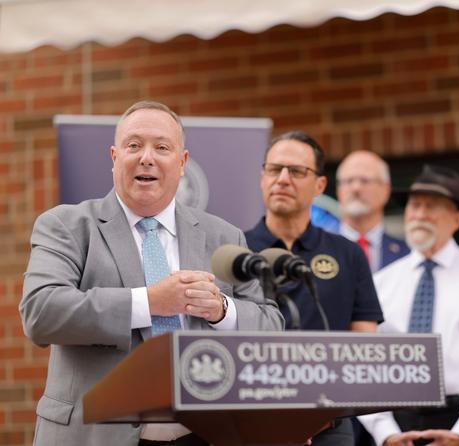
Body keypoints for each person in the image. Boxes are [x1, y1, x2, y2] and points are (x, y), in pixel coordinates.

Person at [19, 100, 284, 446]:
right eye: (134, 145)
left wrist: (221, 310)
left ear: (182, 162)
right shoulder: (67, 226)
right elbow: (41, 312)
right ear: (114, 157)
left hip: (203, 435)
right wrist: (149, 302)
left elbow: (270, 326)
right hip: (96, 435)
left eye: (161, 147)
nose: (147, 157)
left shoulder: (224, 236)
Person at [359, 165, 459, 446]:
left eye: (431, 206)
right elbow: (365, 362)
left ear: (457, 218)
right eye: (414, 205)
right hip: (398, 425)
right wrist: (385, 432)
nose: (419, 215)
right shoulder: (382, 282)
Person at [244, 130, 384, 446]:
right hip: (250, 422)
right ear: (261, 177)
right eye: (273, 169)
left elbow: (366, 349)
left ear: (320, 185)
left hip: (329, 424)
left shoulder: (347, 254)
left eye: (296, 171)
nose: (282, 179)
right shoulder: (234, 249)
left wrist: (323, 409)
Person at [335, 150, 409, 273]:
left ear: (386, 189)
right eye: (348, 181)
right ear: (338, 190)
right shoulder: (315, 250)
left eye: (365, 180)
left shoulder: (407, 254)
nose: (356, 188)